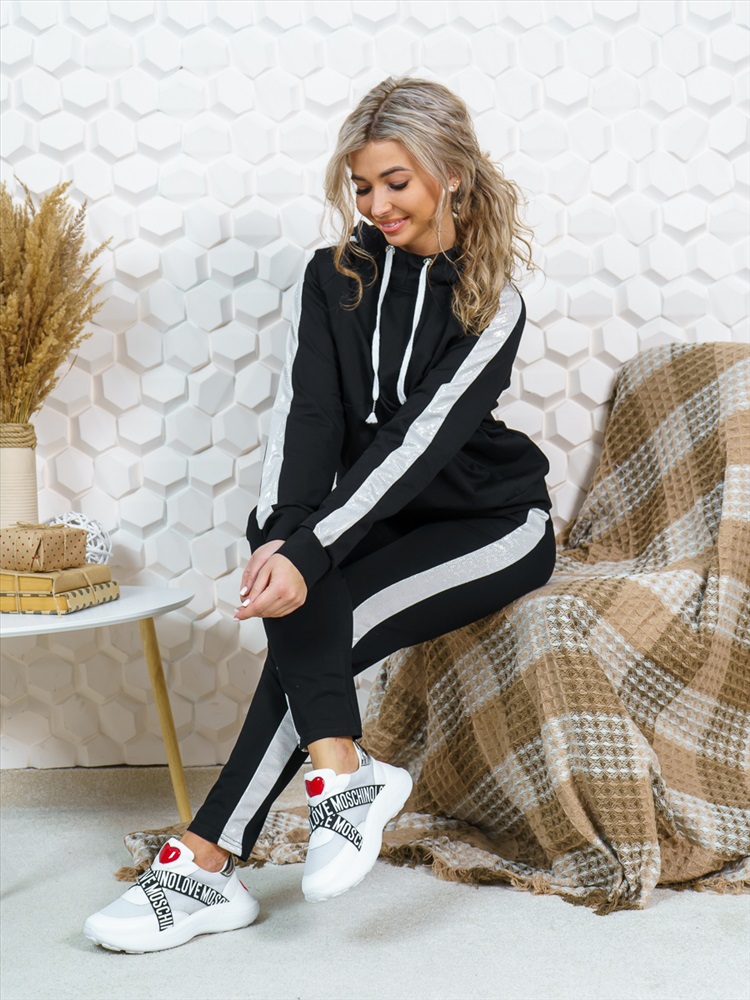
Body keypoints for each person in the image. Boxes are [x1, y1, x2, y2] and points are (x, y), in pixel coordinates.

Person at [84, 74, 556, 954]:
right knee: (295, 583)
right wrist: (280, 538)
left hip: (492, 524)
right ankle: (331, 778)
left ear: (451, 173)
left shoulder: (494, 302)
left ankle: (206, 863)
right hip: (375, 516)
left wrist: (313, 549)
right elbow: (309, 416)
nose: (376, 205)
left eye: (396, 182)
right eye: (362, 185)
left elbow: (414, 446)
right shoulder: (332, 276)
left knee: (324, 606)